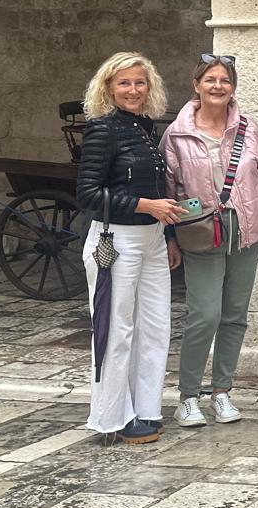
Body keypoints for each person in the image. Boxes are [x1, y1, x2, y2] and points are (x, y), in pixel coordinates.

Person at [162, 55, 258, 430]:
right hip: (200, 231)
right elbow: (169, 190)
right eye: (210, 79)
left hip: (244, 230)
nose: (218, 86)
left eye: (225, 80)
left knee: (235, 315)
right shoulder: (177, 135)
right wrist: (172, 237)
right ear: (196, 85)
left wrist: (253, 214)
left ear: (233, 87)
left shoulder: (249, 129)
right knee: (204, 315)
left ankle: (222, 390)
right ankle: (188, 396)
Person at [78, 53, 182, 444]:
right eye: (124, 83)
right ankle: (112, 417)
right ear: (108, 87)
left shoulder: (144, 128)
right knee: (116, 329)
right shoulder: (102, 129)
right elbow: (88, 194)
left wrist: (167, 235)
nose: (133, 90)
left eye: (140, 82)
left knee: (155, 326)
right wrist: (145, 206)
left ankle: (146, 408)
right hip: (116, 239)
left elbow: (155, 188)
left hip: (152, 238)